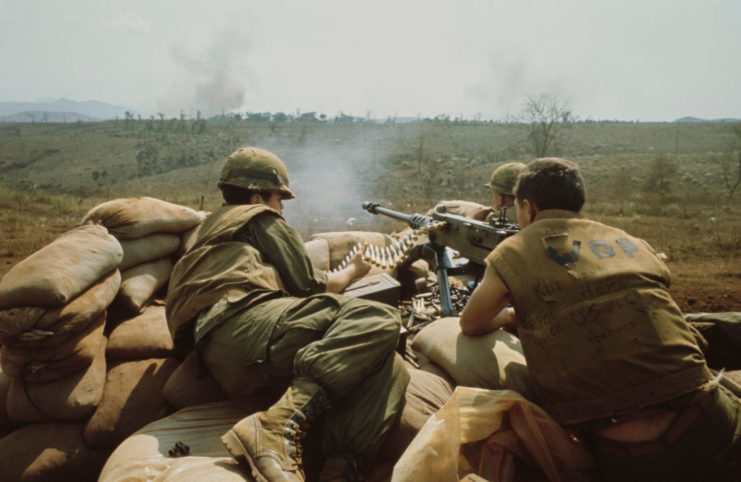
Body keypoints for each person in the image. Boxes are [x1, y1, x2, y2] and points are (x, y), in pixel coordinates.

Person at [459, 157, 740, 481]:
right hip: (711, 418)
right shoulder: (630, 241)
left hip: (634, 457)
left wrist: (511, 314)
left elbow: (471, 323)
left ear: (528, 207)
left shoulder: (512, 251)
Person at [166, 147, 410, 481]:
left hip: (226, 354)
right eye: (279, 198)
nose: (281, 207)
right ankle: (275, 427)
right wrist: (354, 270)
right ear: (256, 197)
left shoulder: (209, 231)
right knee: (379, 319)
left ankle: (339, 468)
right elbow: (311, 286)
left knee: (387, 362)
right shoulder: (256, 218)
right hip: (245, 325)